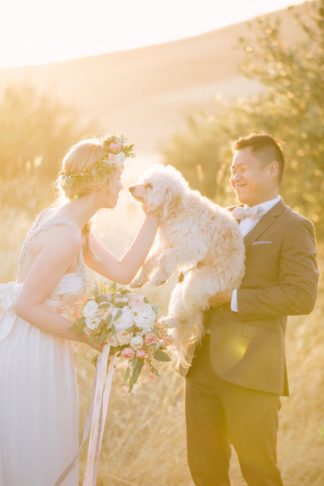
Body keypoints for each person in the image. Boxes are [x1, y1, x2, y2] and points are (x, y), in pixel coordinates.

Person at [0, 136, 158, 486]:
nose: (121, 186)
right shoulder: (65, 236)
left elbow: (123, 272)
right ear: (100, 181)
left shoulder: (73, 226)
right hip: (33, 353)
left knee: (44, 445)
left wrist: (153, 217)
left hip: (44, 347)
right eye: (117, 177)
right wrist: (91, 336)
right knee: (37, 452)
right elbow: (27, 304)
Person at [182, 133, 319, 485]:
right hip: (201, 366)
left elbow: (302, 296)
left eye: (243, 169)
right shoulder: (219, 218)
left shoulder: (294, 227)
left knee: (259, 472)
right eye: (232, 170)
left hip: (253, 371)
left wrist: (232, 299)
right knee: (205, 471)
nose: (234, 177)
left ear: (272, 169)